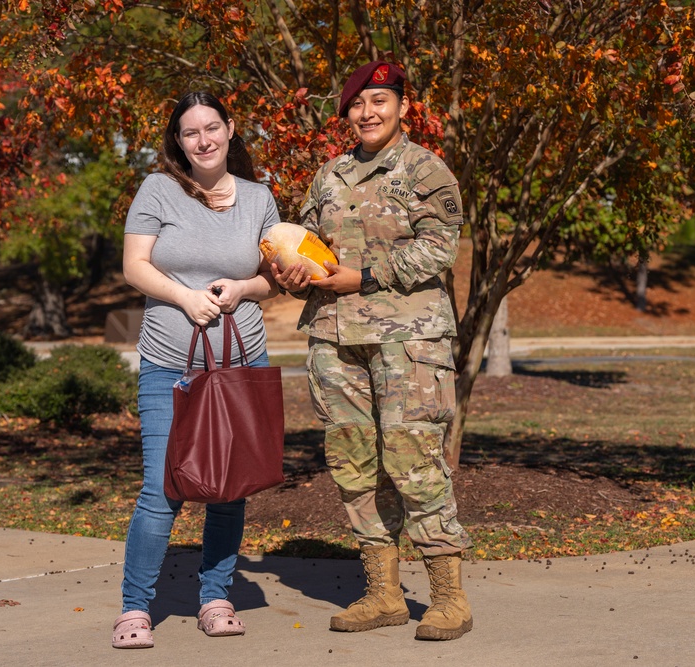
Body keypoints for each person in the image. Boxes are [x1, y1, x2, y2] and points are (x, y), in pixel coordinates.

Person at [272, 61, 473, 641]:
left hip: (408, 343)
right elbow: (308, 244)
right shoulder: (328, 174)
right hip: (335, 340)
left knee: (414, 463)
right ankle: (383, 593)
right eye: (358, 105)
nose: (368, 113)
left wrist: (362, 276)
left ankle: (447, 598)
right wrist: (292, 272)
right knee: (353, 463)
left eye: (380, 101)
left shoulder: (426, 171)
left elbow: (438, 251)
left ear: (403, 108)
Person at [113, 91, 280, 649]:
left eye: (212, 128)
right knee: (162, 489)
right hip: (169, 365)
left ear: (231, 130)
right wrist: (186, 299)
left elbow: (273, 278)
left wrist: (242, 288)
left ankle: (216, 596)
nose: (203, 140)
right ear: (179, 142)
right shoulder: (158, 189)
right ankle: (135, 609)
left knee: (230, 490)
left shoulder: (259, 198)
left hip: (243, 362)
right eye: (191, 133)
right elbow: (135, 266)